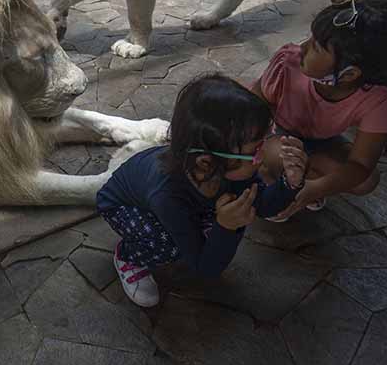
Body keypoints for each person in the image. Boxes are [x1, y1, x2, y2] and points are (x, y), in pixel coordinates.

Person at [96, 74, 307, 308]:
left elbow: (266, 205)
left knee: (202, 229)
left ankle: (199, 228)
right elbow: (205, 269)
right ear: (206, 163)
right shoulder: (168, 196)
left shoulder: (229, 170)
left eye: (265, 141)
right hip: (121, 205)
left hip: (178, 197)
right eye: (256, 149)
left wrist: (289, 182)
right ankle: (128, 255)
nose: (265, 154)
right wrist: (227, 227)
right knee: (168, 245)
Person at [251, 0, 387, 221]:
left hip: (320, 142)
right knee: (279, 157)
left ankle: (294, 180)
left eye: (316, 46)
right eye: (311, 37)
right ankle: (278, 174)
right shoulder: (289, 63)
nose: (303, 47)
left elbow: (361, 165)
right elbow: (254, 106)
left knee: (366, 181)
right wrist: (260, 146)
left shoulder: (379, 99)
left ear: (349, 75)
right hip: (274, 133)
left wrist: (314, 189)